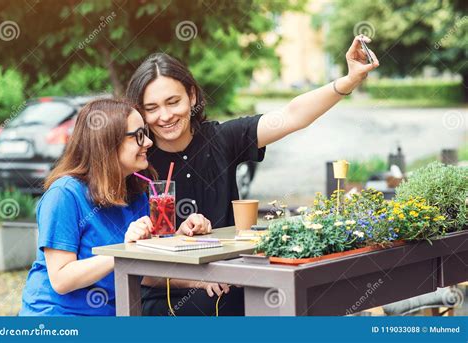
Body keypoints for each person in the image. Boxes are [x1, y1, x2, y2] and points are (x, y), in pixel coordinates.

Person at [126, 34, 379, 315]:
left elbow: (292, 115)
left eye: (173, 102)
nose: (164, 116)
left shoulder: (221, 139)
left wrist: (349, 80)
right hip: (170, 294)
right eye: (152, 108)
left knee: (296, 297)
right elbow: (133, 265)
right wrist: (198, 280)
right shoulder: (138, 162)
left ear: (192, 96)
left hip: (232, 280)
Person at [19, 99, 229, 316]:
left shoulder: (134, 193)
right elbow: (61, 279)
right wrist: (125, 252)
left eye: (146, 133)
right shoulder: (65, 194)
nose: (148, 142)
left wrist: (185, 244)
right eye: (138, 135)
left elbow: (144, 271)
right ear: (107, 143)